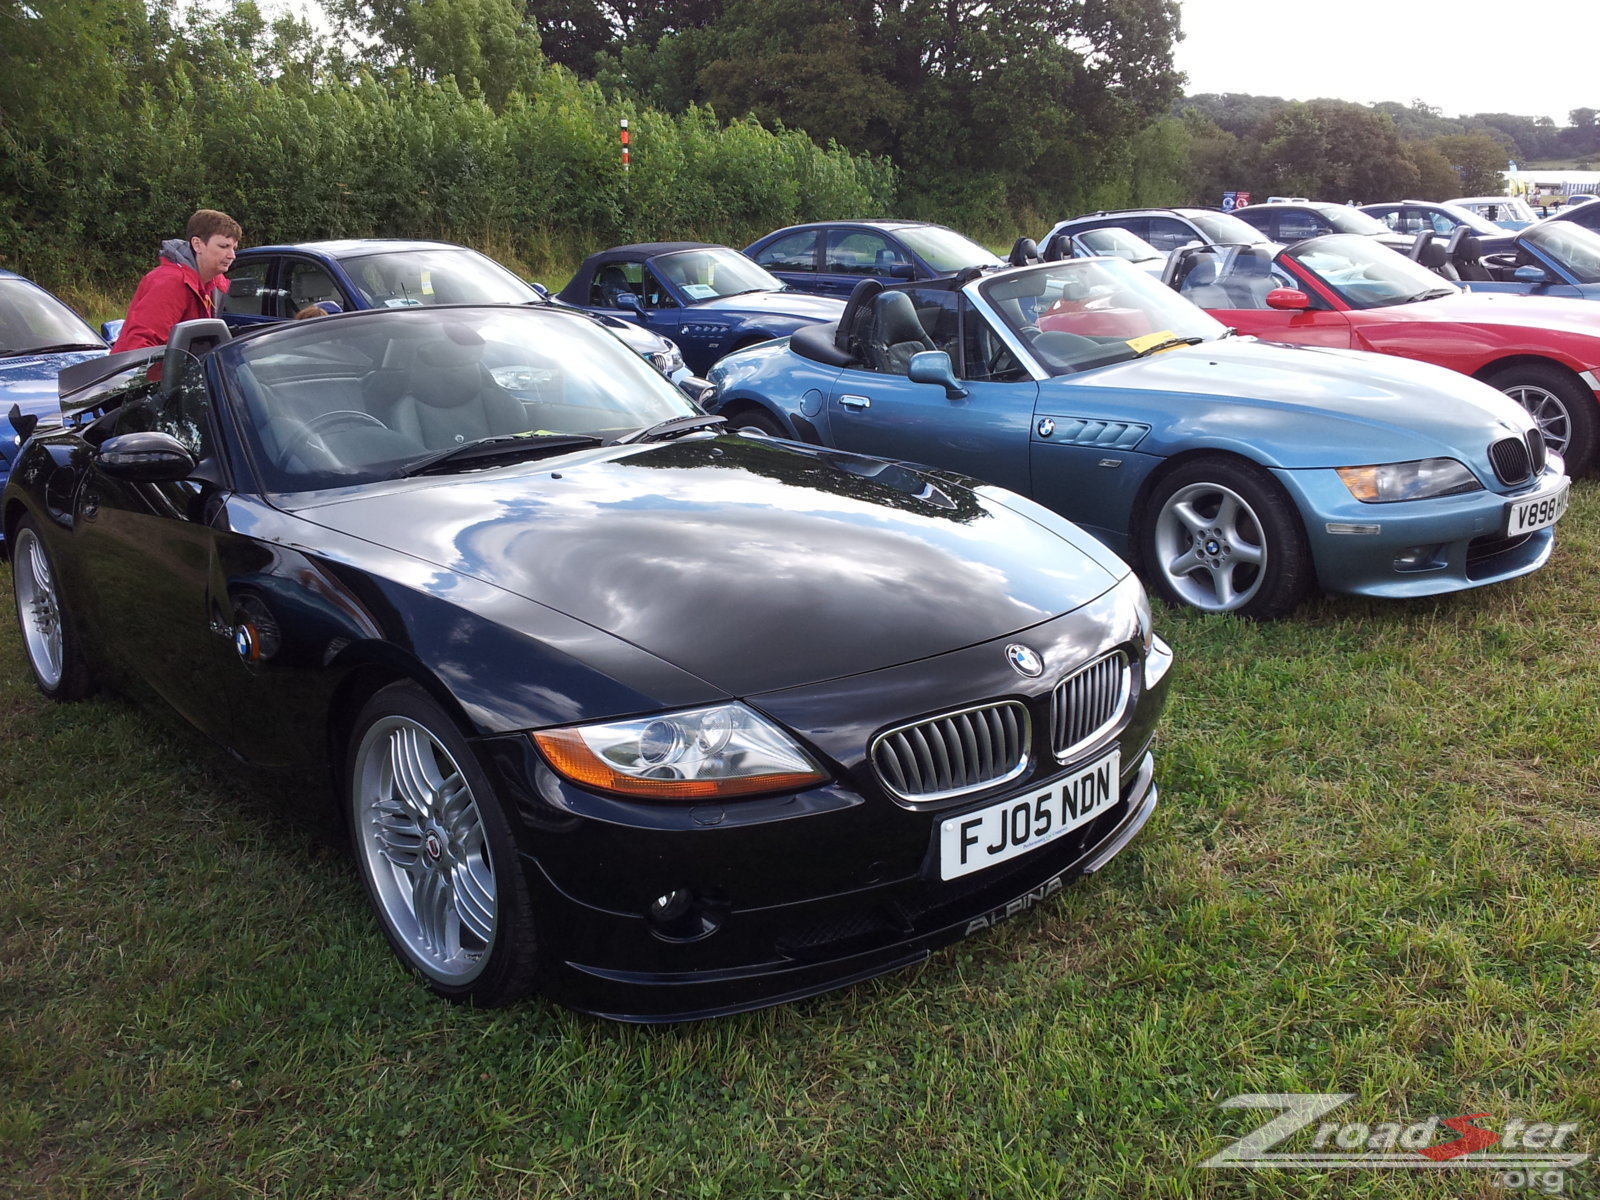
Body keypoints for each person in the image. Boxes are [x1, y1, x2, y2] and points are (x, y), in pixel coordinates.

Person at [111, 209, 241, 352]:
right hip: (135, 372)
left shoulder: (215, 284)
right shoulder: (170, 282)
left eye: (234, 248)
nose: (232, 255)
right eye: (224, 246)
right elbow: (140, 348)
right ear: (197, 244)